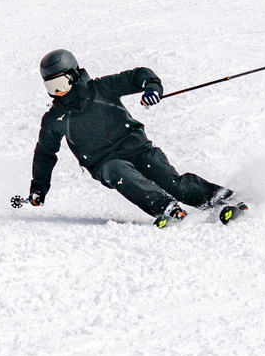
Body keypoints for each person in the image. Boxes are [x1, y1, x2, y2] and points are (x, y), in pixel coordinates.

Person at [24, 49, 247, 227]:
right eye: (51, 87)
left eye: (61, 84)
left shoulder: (101, 88)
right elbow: (45, 153)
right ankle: (167, 208)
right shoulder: (55, 118)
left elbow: (138, 75)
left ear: (73, 75)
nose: (58, 92)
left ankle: (226, 199)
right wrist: (38, 188)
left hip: (138, 148)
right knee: (119, 172)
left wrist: (152, 88)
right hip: (104, 162)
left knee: (174, 184)